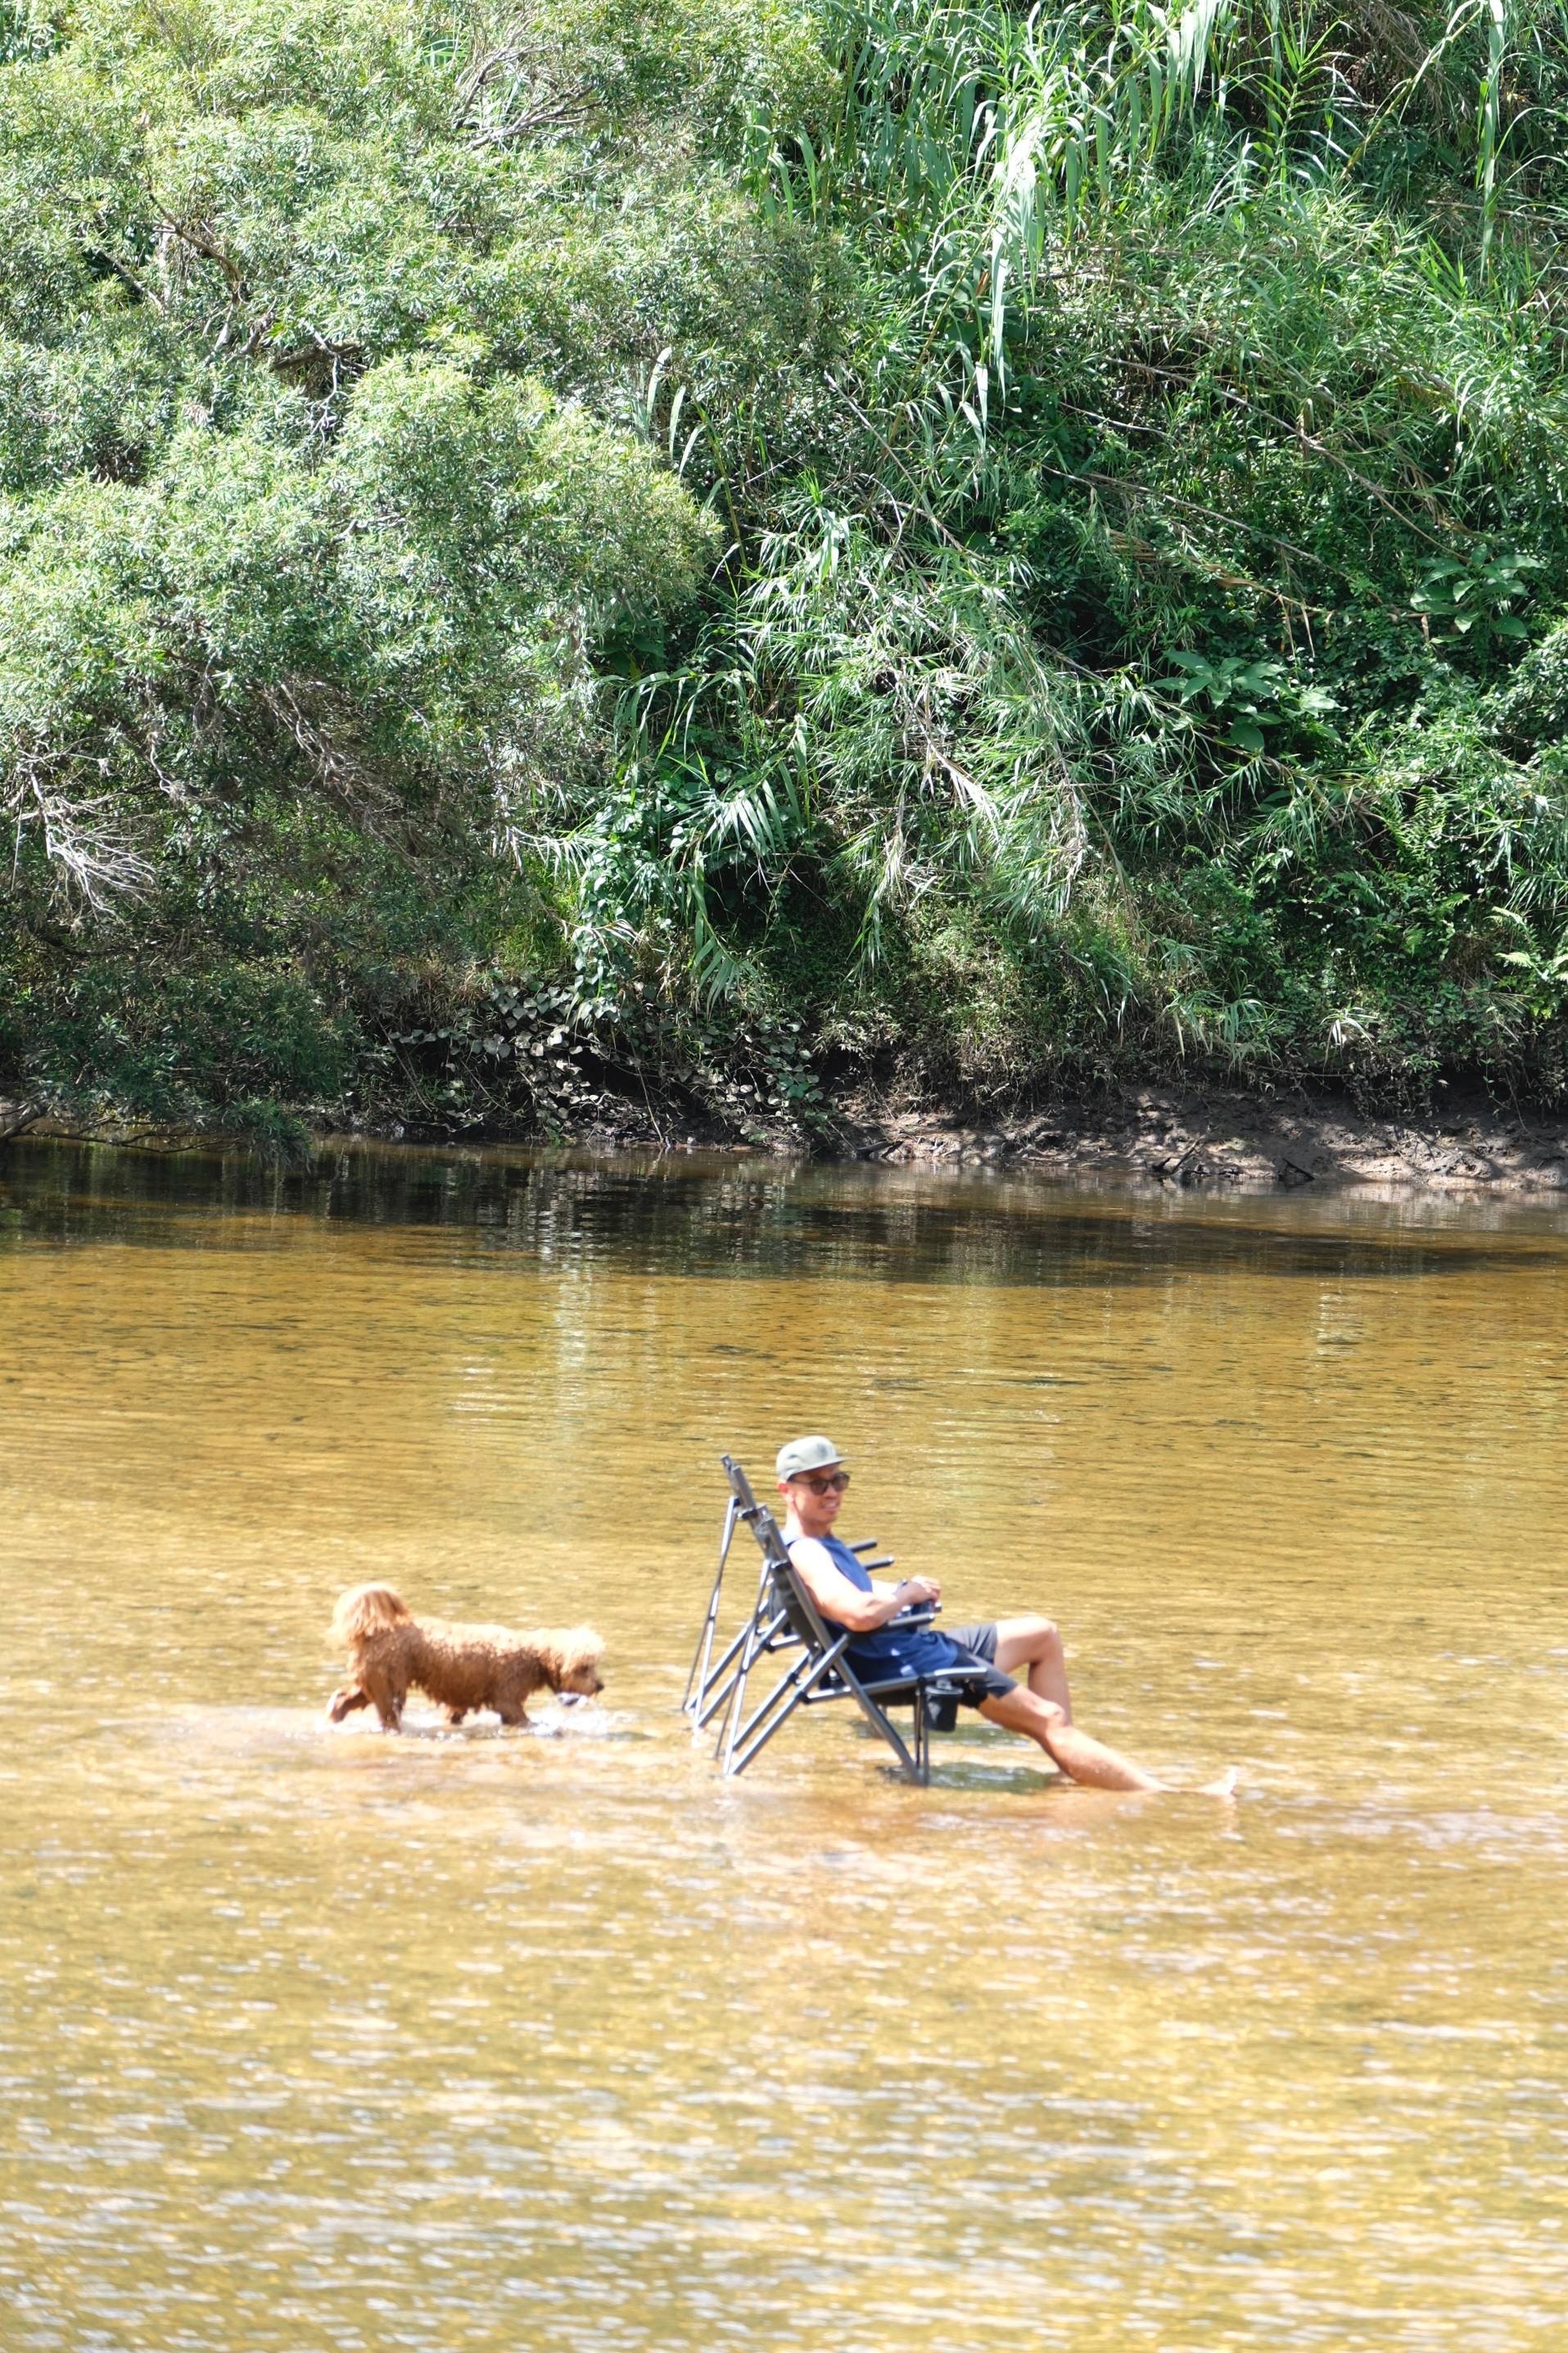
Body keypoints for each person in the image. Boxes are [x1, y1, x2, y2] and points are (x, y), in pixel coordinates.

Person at [775, 1434, 1236, 1795]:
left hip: (910, 1645)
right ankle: (1169, 1796)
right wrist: (906, 1594)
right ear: (787, 1492)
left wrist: (902, 1593)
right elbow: (858, 1614)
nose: (833, 1492)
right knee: (1048, 1718)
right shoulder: (809, 1553)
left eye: (839, 1480)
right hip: (910, 1665)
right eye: (818, 1484)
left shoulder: (818, 1543)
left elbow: (854, 1597)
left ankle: (1069, 1758)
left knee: (1042, 1633)